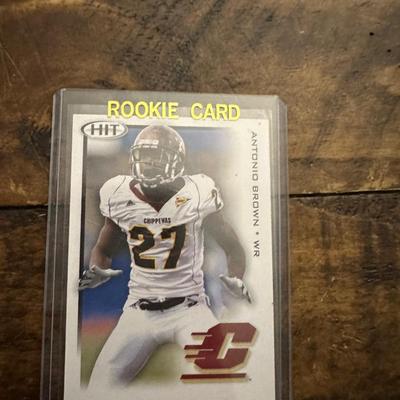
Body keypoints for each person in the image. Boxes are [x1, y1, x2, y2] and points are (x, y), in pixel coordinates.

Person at [79, 124, 250, 388]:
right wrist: (98, 268)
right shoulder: (119, 194)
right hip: (139, 311)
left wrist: (236, 277)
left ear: (176, 160)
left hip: (189, 309)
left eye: (155, 156)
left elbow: (233, 246)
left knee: (221, 383)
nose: (147, 163)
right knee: (99, 388)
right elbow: (103, 248)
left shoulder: (197, 193)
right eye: (143, 156)